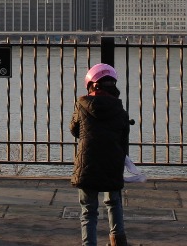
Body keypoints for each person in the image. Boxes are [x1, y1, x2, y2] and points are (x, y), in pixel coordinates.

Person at [70, 63, 130, 246]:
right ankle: (117, 239)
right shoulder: (119, 109)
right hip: (112, 161)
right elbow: (123, 136)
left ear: (91, 85)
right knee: (113, 202)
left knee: (88, 210)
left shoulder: (82, 105)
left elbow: (74, 130)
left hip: (87, 163)